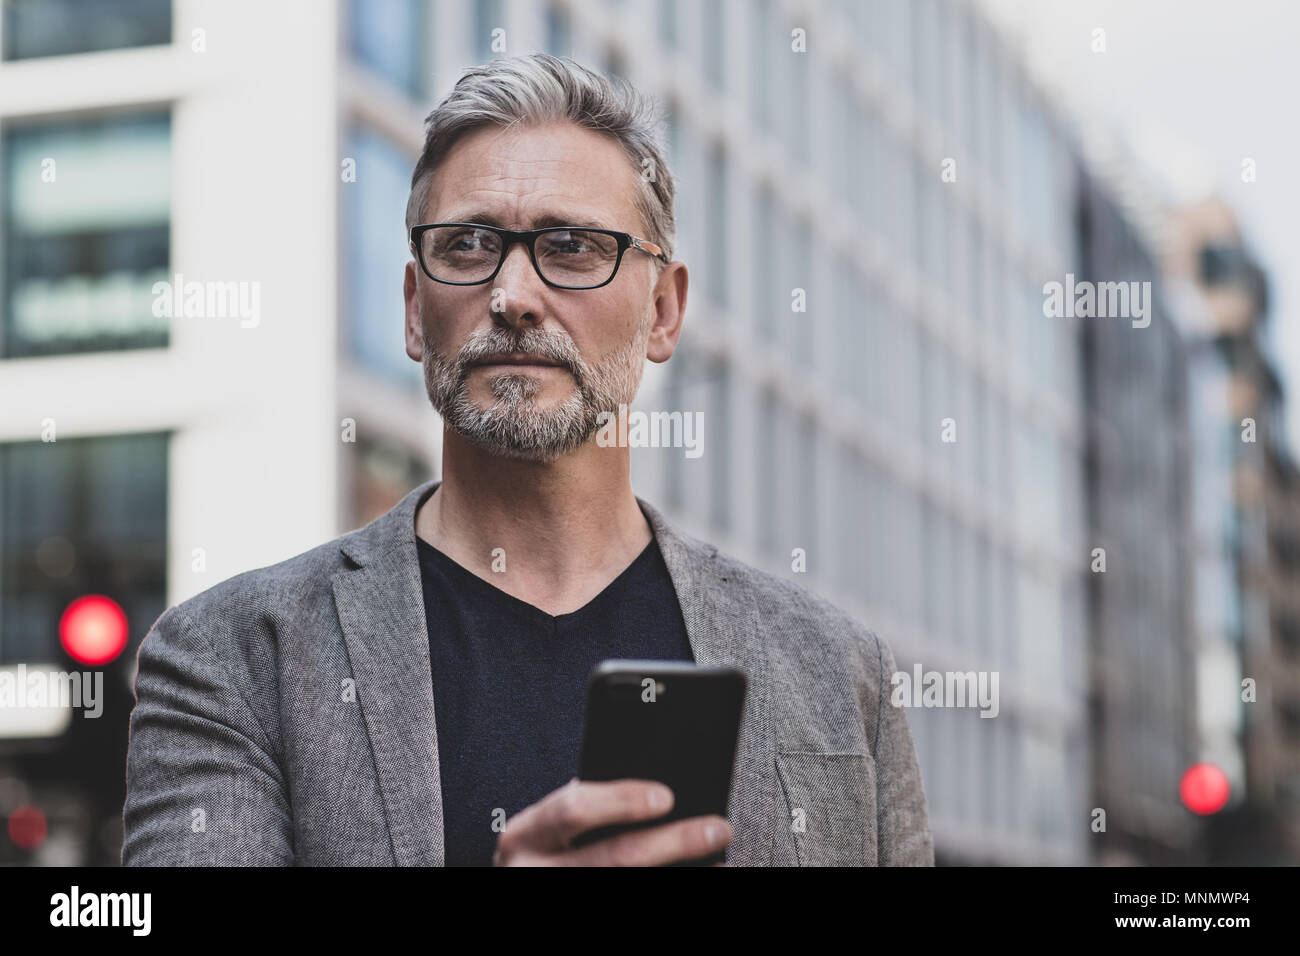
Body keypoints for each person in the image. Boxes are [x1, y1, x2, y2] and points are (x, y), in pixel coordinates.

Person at [122, 53, 933, 867]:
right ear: (414, 309)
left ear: (662, 310)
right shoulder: (231, 658)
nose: (512, 294)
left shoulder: (838, 671)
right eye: (469, 245)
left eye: (573, 246)